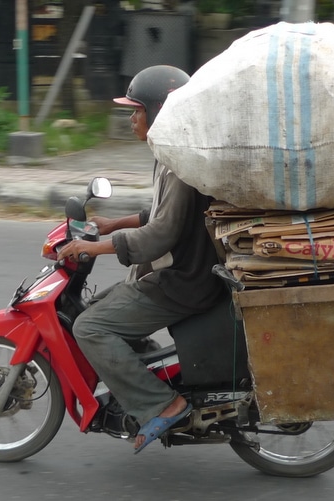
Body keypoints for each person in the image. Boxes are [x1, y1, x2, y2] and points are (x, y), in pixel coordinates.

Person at [56, 65, 225, 454]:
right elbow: (162, 215)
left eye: (137, 109)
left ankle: (162, 404)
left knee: (89, 328)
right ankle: (148, 375)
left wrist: (95, 247)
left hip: (183, 281)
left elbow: (160, 236)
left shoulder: (181, 164)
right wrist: (113, 223)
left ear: (159, 110)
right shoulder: (172, 153)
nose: (131, 118)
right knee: (97, 307)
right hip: (184, 273)